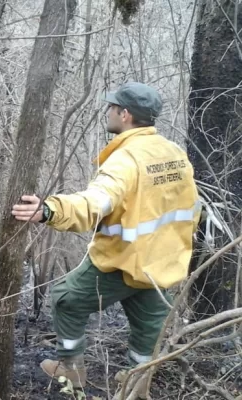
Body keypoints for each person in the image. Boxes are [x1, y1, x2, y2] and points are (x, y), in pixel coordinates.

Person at [11, 82, 200, 398]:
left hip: (123, 261)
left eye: (111, 107)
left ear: (124, 115)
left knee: (65, 298)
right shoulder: (174, 152)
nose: (107, 112)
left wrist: (48, 210)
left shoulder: (126, 159)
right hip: (163, 264)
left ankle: (71, 369)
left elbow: (95, 202)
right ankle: (136, 386)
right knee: (149, 331)